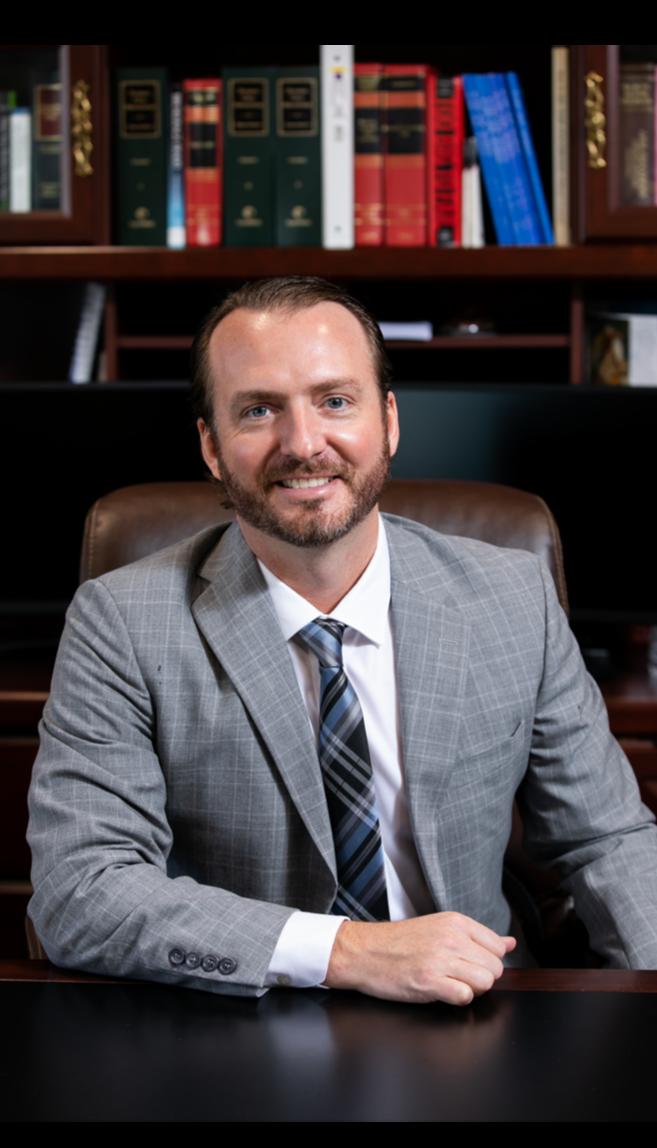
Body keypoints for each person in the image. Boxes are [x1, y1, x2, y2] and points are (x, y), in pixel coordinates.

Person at [28, 276, 657, 1006]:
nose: (303, 444)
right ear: (211, 446)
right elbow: (81, 889)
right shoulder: (121, 622)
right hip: (244, 1018)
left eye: (334, 401)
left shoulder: (512, 598)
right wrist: (345, 950)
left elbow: (607, 841)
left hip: (478, 1009)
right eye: (258, 410)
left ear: (387, 421)